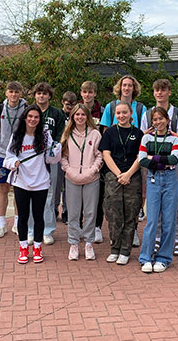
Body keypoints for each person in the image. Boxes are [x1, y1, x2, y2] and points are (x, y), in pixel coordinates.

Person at [4, 105, 62, 264]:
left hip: (41, 182)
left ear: (40, 119)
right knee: (22, 216)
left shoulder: (45, 136)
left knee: (38, 216)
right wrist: (13, 162)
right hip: (21, 181)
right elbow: (7, 157)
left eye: (36, 117)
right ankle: (23, 248)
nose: (33, 119)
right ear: (25, 117)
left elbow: (52, 159)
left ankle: (37, 247)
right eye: (30, 116)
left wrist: (57, 150)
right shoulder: (17, 135)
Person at [140, 79, 178, 256]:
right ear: (153, 93)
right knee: (155, 203)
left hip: (175, 165)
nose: (160, 93)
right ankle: (157, 238)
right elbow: (142, 137)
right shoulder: (147, 115)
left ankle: (177, 239)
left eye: (163, 90)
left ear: (169, 92)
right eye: (157, 90)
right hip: (153, 165)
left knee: (177, 202)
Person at [100, 75, 146, 247]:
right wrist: (118, 172)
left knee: (132, 203)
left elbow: (143, 135)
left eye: (130, 85)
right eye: (124, 85)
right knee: (114, 205)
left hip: (134, 163)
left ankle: (131, 233)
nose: (127, 88)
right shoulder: (111, 107)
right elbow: (106, 133)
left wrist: (129, 172)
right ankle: (116, 239)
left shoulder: (141, 107)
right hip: (115, 164)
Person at [138, 107, 178, 273]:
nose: (158, 122)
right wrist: (161, 161)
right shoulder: (147, 138)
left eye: (161, 119)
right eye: (155, 120)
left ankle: (163, 258)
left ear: (167, 119)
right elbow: (142, 160)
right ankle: (146, 258)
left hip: (170, 180)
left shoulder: (174, 139)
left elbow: (174, 159)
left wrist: (153, 158)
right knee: (152, 220)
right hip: (153, 179)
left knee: (169, 221)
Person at [60, 104, 103, 261]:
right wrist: (69, 171)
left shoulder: (95, 134)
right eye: (77, 114)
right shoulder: (67, 134)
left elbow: (100, 155)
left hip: (91, 178)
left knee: (90, 212)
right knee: (73, 212)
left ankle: (89, 243)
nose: (79, 117)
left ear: (87, 117)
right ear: (72, 117)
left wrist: (92, 170)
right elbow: (63, 157)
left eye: (82, 115)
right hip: (72, 178)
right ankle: (73, 243)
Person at [28, 82, 66, 245]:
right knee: (30, 193)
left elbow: (61, 134)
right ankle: (31, 230)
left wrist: (53, 147)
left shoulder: (57, 113)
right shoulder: (30, 112)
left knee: (50, 195)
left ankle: (48, 230)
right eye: (38, 93)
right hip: (31, 158)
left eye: (44, 93)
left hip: (50, 158)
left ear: (49, 95)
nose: (41, 96)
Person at [0, 81, 27, 238]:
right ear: (6, 93)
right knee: (3, 189)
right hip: (2, 155)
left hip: (20, 156)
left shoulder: (26, 109)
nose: (14, 95)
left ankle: (17, 224)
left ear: (21, 94)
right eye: (11, 91)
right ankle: (1, 224)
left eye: (17, 92)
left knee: (19, 190)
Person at [80, 80, 105, 243]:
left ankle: (96, 227)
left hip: (96, 158)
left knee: (98, 195)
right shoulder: (77, 111)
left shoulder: (102, 111)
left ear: (95, 93)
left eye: (90, 92)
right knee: (80, 196)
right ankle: (83, 226)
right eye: (84, 92)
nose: (87, 95)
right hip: (80, 158)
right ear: (81, 93)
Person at [57, 91, 77, 224]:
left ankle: (66, 211)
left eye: (72, 105)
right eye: (67, 105)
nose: (69, 108)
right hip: (59, 153)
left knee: (68, 185)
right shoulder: (58, 115)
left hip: (72, 154)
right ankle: (54, 209)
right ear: (62, 103)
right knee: (57, 184)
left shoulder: (76, 116)